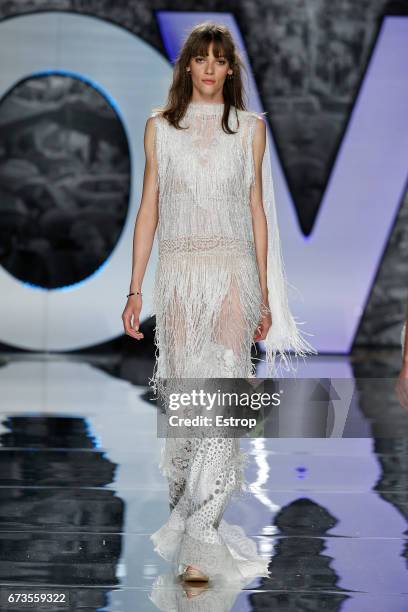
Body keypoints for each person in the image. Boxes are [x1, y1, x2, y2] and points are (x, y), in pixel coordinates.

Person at [121, 22, 316, 585]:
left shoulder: (250, 130)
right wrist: (135, 289)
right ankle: (188, 511)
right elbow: (148, 210)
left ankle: (200, 533)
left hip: (232, 272)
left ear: (231, 69)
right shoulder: (160, 128)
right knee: (187, 403)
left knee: (221, 392)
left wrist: (265, 293)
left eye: (219, 59)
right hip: (179, 277)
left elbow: (257, 212)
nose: (209, 67)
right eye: (200, 58)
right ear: (187, 67)